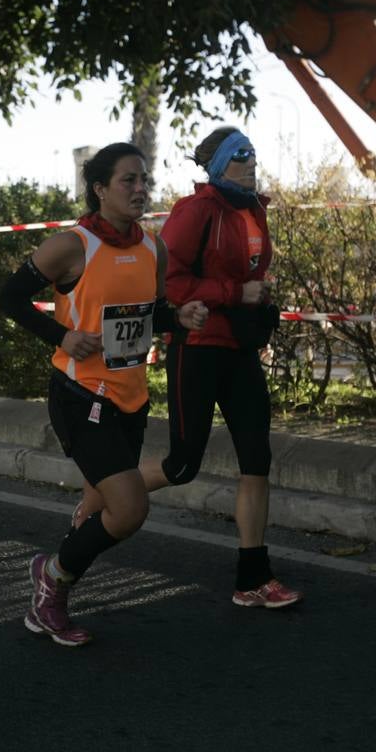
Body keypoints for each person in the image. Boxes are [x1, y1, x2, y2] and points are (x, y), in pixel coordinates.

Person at [71, 127, 303, 610]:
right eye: (241, 154)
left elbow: (248, 272)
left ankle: (253, 576)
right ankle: (100, 495)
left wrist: (258, 298)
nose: (251, 159)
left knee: (257, 458)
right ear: (218, 165)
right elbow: (172, 284)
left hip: (238, 347)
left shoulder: (252, 208)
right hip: (196, 346)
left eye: (253, 151)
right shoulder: (196, 211)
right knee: (183, 463)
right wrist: (234, 293)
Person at [0, 142, 208, 646]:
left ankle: (51, 593)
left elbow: (148, 313)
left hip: (131, 397)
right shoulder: (73, 244)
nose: (140, 189)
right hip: (80, 394)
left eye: (143, 180)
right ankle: (51, 576)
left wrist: (178, 317)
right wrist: (62, 335)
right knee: (130, 509)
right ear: (99, 189)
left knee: (97, 508)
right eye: (127, 181)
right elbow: (10, 297)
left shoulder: (151, 247)